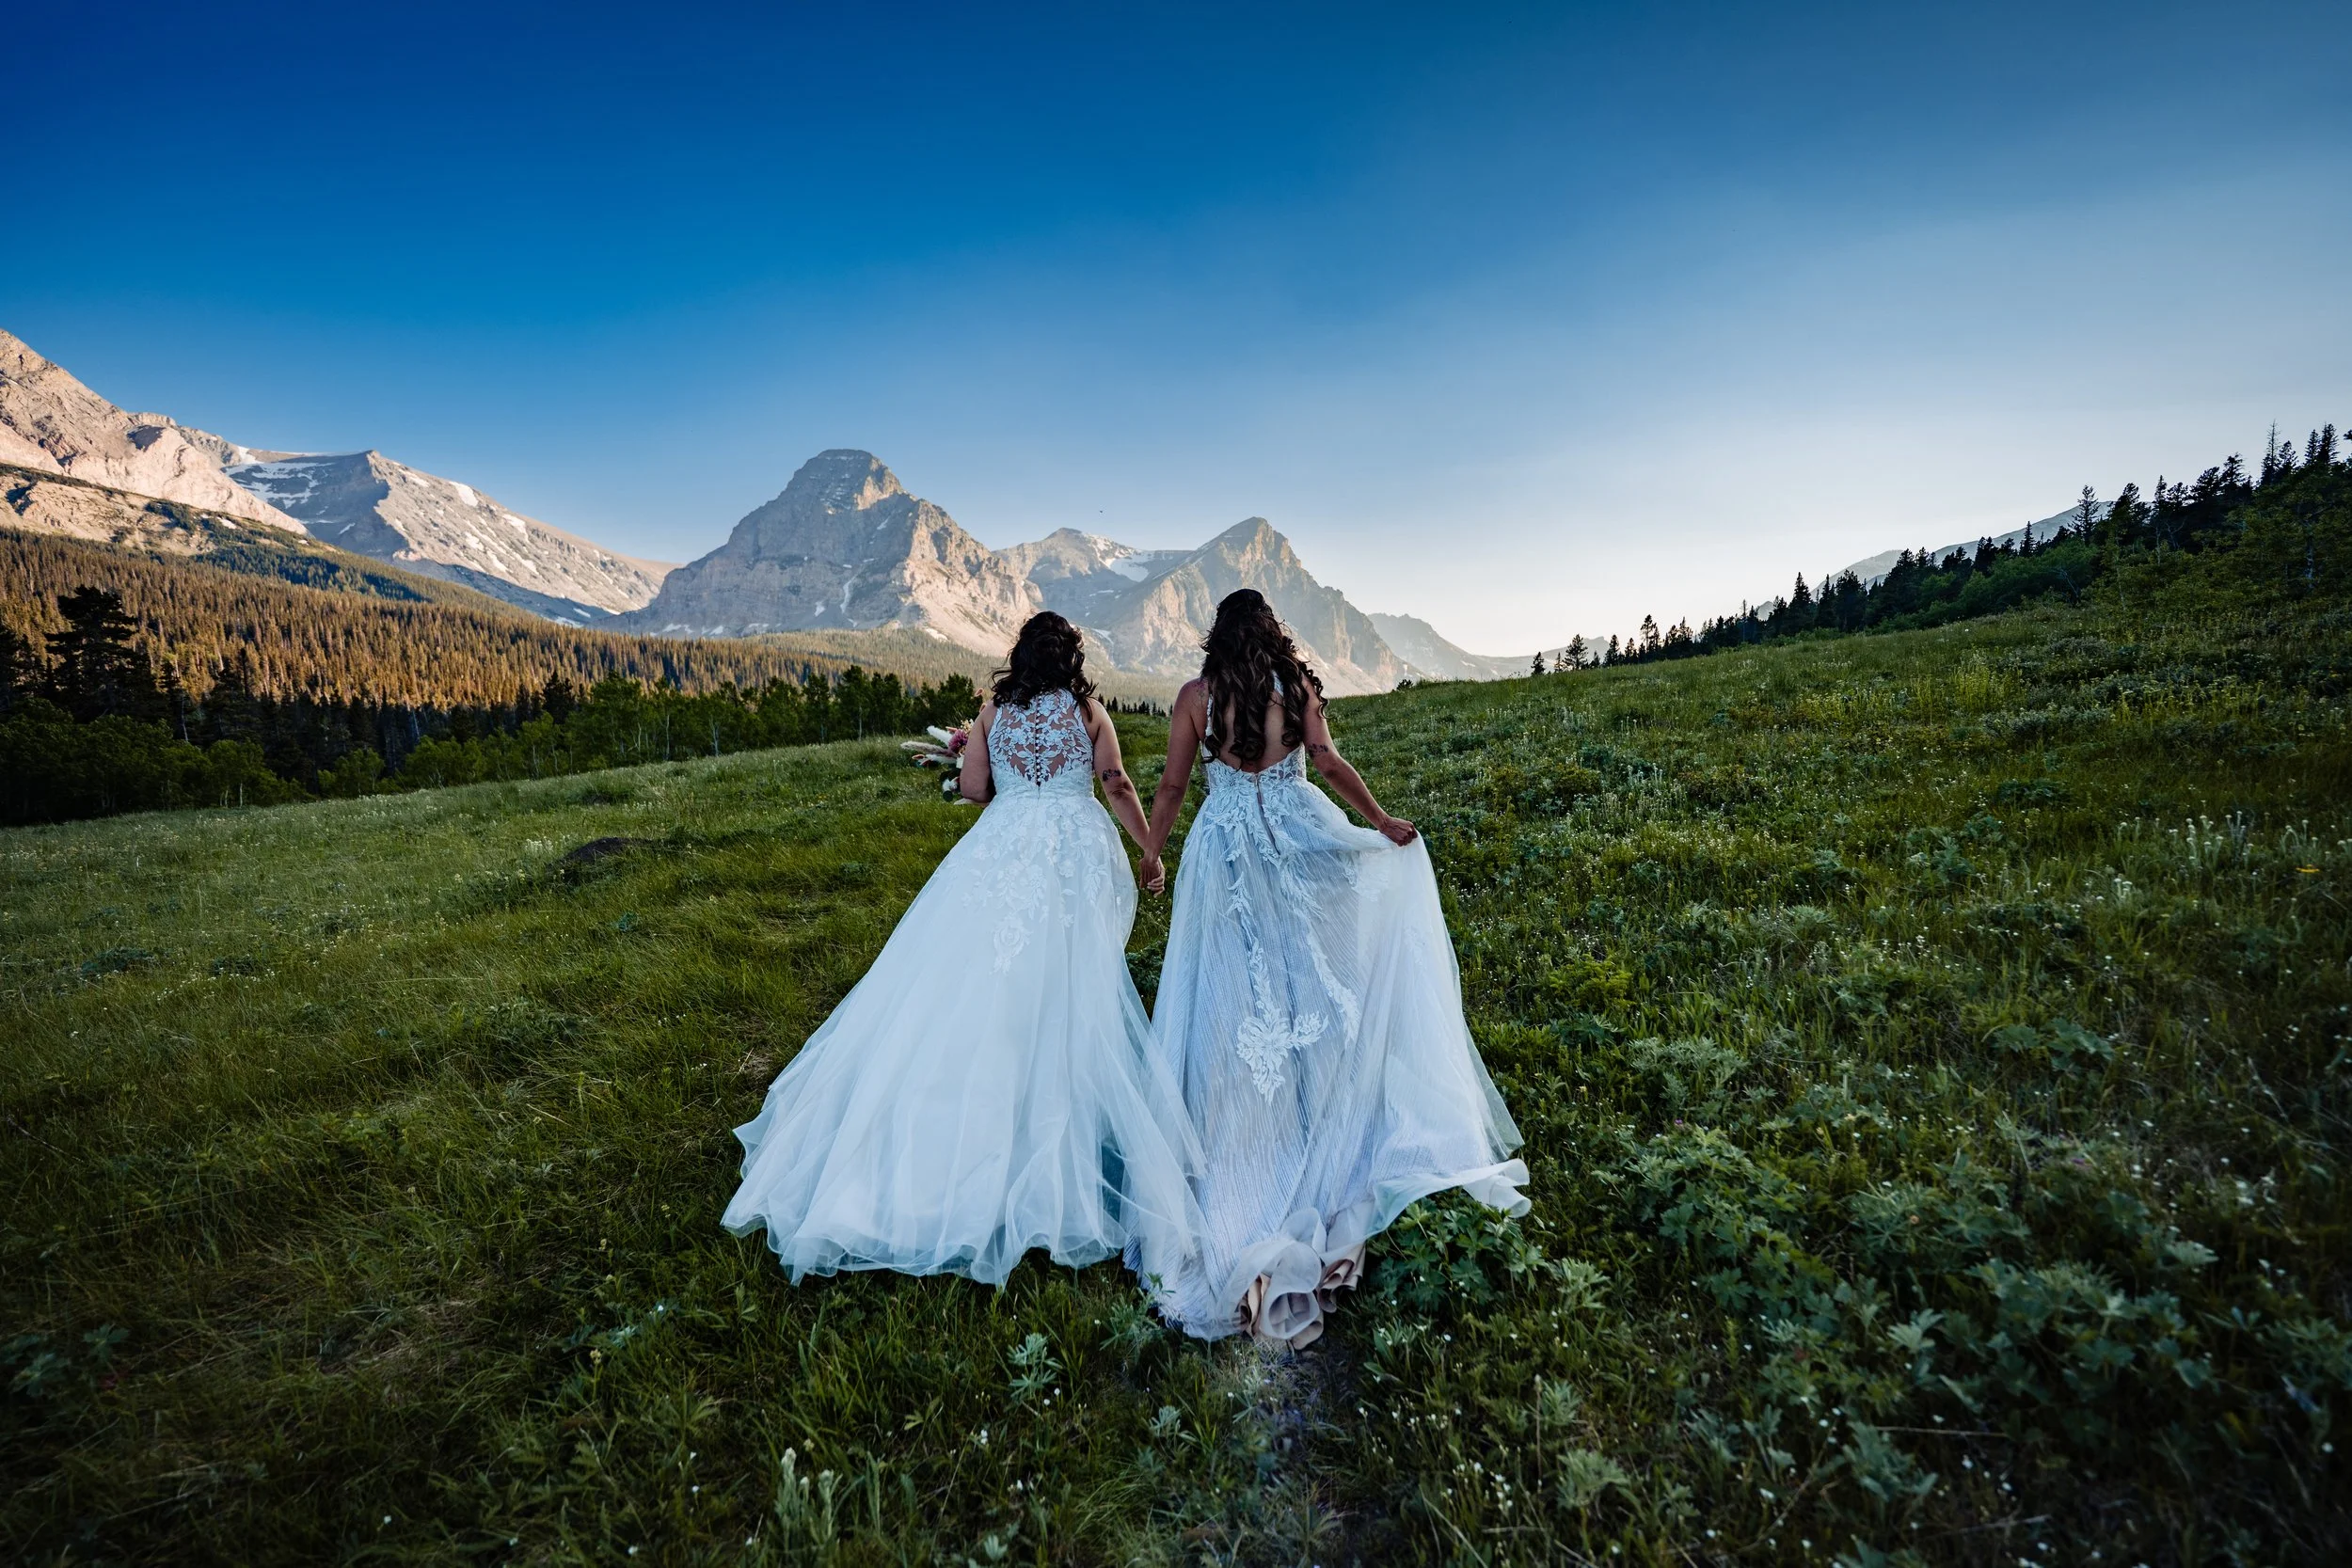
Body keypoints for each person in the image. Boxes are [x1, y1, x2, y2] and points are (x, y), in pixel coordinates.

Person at [723, 612, 1200, 1293]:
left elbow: (975, 790)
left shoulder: (993, 713)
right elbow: (1117, 783)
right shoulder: (1088, 712)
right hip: (1073, 851)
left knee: (972, 978)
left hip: (1002, 848)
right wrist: (1149, 850)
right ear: (1070, 659)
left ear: (1020, 657)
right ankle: (1054, 1128)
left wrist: (1005, 781)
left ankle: (952, 1131)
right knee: (1069, 982)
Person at [1137, 589, 1527, 1348]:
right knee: (1308, 983)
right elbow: (1326, 760)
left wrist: (1152, 852)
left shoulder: (1195, 697)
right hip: (1294, 839)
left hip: (1224, 853)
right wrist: (1378, 820)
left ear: (1218, 636)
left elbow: (1175, 786)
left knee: (1231, 997)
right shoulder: (1295, 686)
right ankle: (1316, 1120)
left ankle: (1243, 1140)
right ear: (1271, 632)